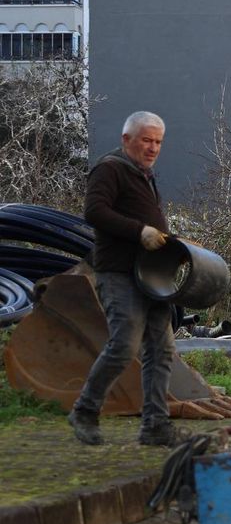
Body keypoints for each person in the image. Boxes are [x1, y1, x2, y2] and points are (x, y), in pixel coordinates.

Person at [68, 111, 181, 447]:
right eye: (146, 139)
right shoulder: (110, 168)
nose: (153, 147)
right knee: (124, 345)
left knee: (161, 351)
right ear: (126, 139)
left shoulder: (143, 175)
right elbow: (94, 211)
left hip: (153, 276)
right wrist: (140, 231)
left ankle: (155, 426)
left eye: (158, 141)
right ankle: (85, 410)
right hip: (119, 272)